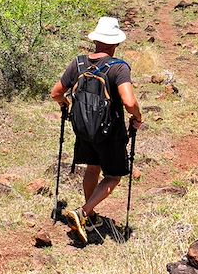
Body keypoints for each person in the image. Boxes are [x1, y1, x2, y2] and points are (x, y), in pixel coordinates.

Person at [50, 16, 142, 244]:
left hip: (83, 129)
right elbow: (129, 102)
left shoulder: (79, 63)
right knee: (114, 176)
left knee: (93, 168)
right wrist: (137, 117)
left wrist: (65, 104)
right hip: (110, 133)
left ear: (95, 40)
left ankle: (89, 217)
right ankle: (83, 212)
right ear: (116, 42)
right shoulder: (119, 67)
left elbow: (56, 93)